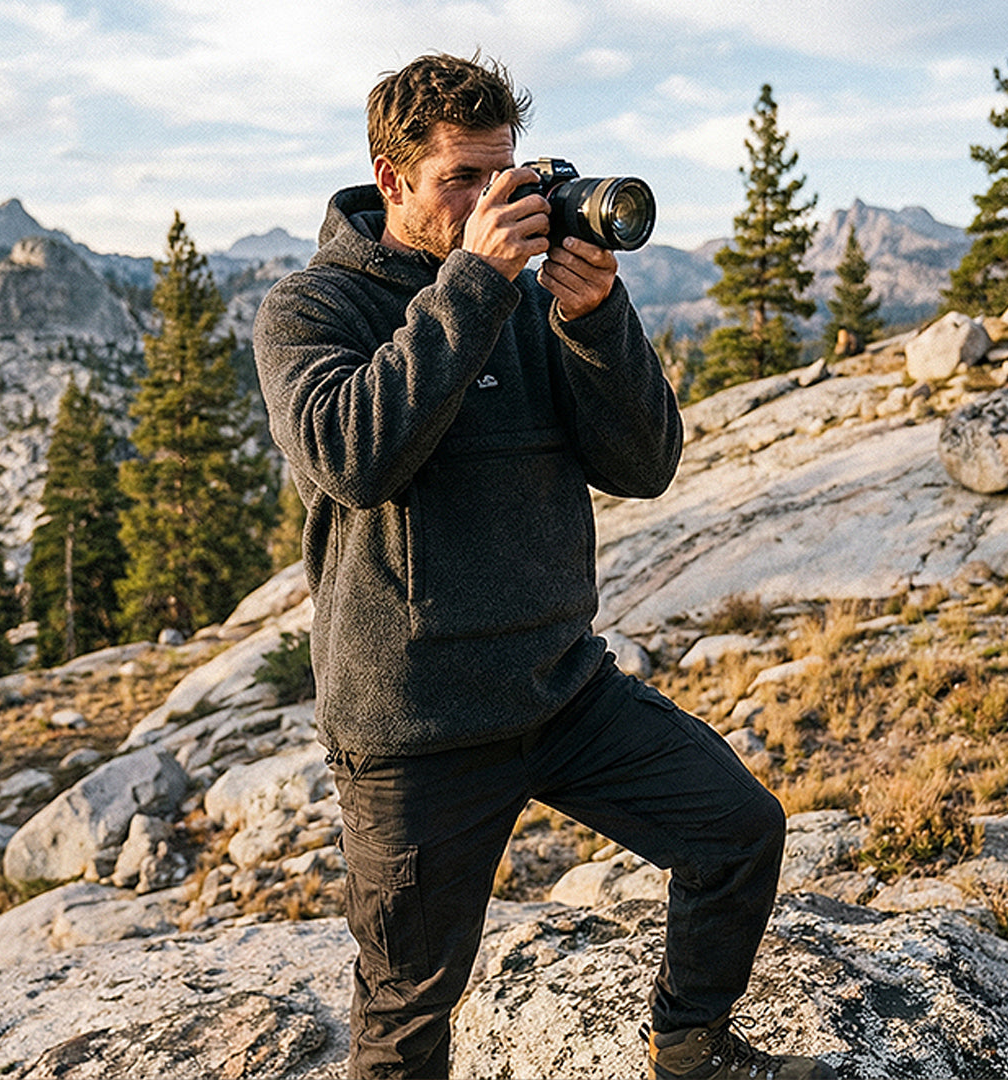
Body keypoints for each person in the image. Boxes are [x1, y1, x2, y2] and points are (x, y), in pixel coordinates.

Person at [254, 52, 837, 1080]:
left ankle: (691, 1049)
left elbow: (645, 465)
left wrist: (593, 320)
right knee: (408, 1009)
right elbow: (352, 456)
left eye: (502, 172)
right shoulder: (313, 310)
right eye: (461, 180)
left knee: (737, 830)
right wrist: (472, 284)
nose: (494, 200)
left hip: (559, 687)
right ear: (392, 179)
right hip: (415, 724)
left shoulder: (526, 292)